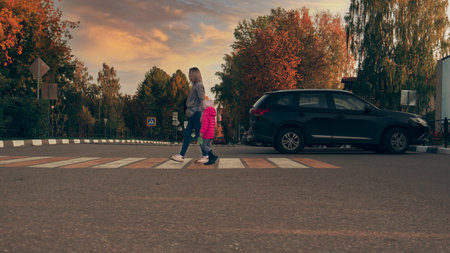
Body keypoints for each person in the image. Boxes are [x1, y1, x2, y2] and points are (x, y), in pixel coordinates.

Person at [170, 67, 206, 162]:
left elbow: (202, 100)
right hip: (192, 114)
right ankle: (181, 155)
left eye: (190, 74)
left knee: (199, 136)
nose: (188, 75)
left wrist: (202, 114)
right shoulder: (195, 85)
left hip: (196, 114)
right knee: (187, 135)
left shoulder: (198, 86)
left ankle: (206, 155)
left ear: (194, 75)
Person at [199, 99, 218, 165]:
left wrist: (202, 132)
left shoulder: (206, 113)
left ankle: (213, 156)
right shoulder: (211, 113)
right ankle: (211, 159)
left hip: (206, 132)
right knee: (208, 145)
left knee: (203, 145)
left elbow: (205, 124)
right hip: (211, 132)